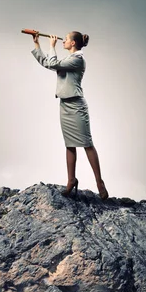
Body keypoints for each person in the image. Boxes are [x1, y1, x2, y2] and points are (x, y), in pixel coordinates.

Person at [30, 31, 108, 200]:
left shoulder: (77, 59)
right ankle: (71, 180)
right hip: (64, 105)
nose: (62, 40)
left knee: (87, 143)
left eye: (65, 39)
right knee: (69, 144)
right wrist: (37, 44)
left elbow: (53, 63)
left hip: (77, 106)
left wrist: (51, 46)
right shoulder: (67, 59)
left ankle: (99, 182)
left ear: (73, 43)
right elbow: (48, 63)